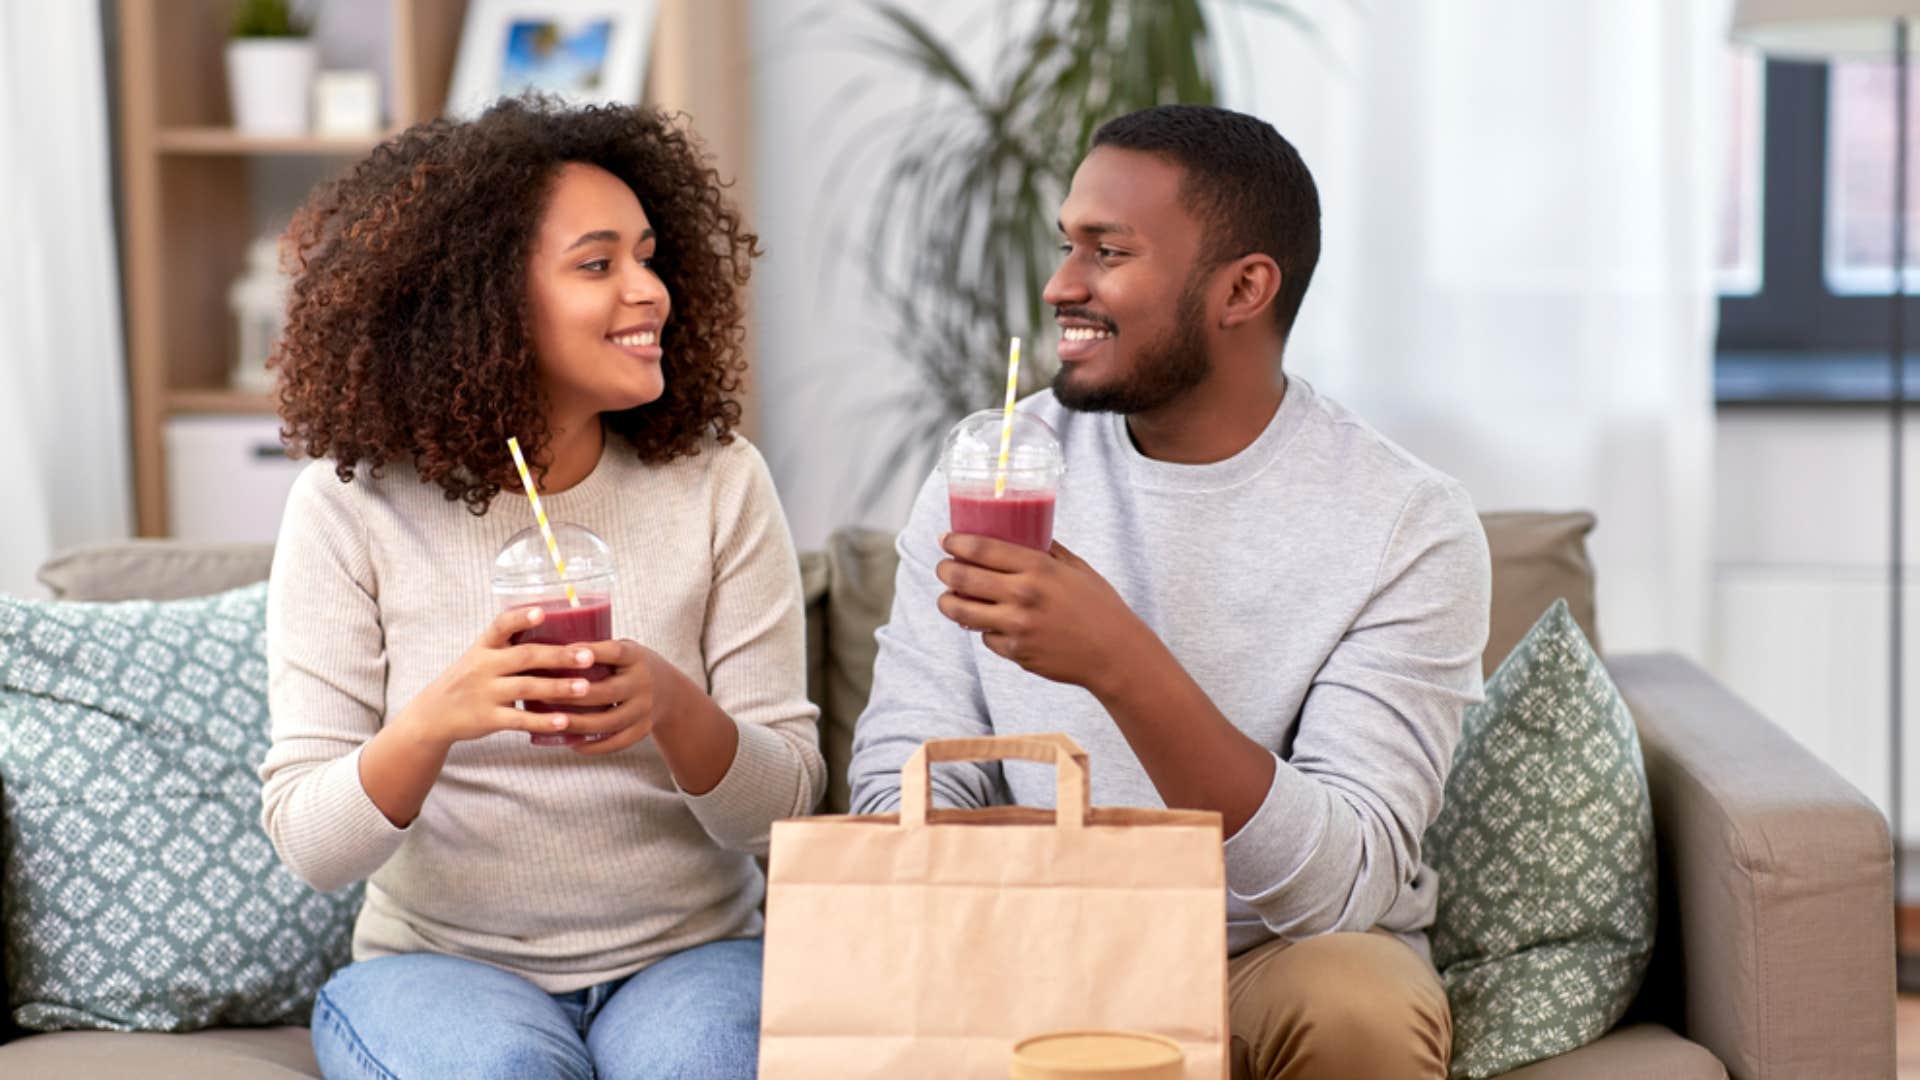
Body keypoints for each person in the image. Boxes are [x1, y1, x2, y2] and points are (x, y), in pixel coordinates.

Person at [848, 104, 1489, 1080]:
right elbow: (908, 766)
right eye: (1069, 246)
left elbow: (1341, 889)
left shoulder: (1405, 525)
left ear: (1242, 289)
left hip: (1264, 960)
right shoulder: (994, 474)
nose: (1063, 285)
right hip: (1032, 947)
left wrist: (1123, 666)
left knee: (1359, 1002)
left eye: (1108, 252)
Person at [260, 96, 823, 1080]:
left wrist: (674, 708)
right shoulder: (350, 509)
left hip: (690, 957)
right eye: (598, 264)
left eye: (649, 256)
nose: (648, 291)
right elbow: (311, 844)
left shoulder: (719, 482)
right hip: (440, 966)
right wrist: (439, 718)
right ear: (484, 300)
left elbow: (786, 811)